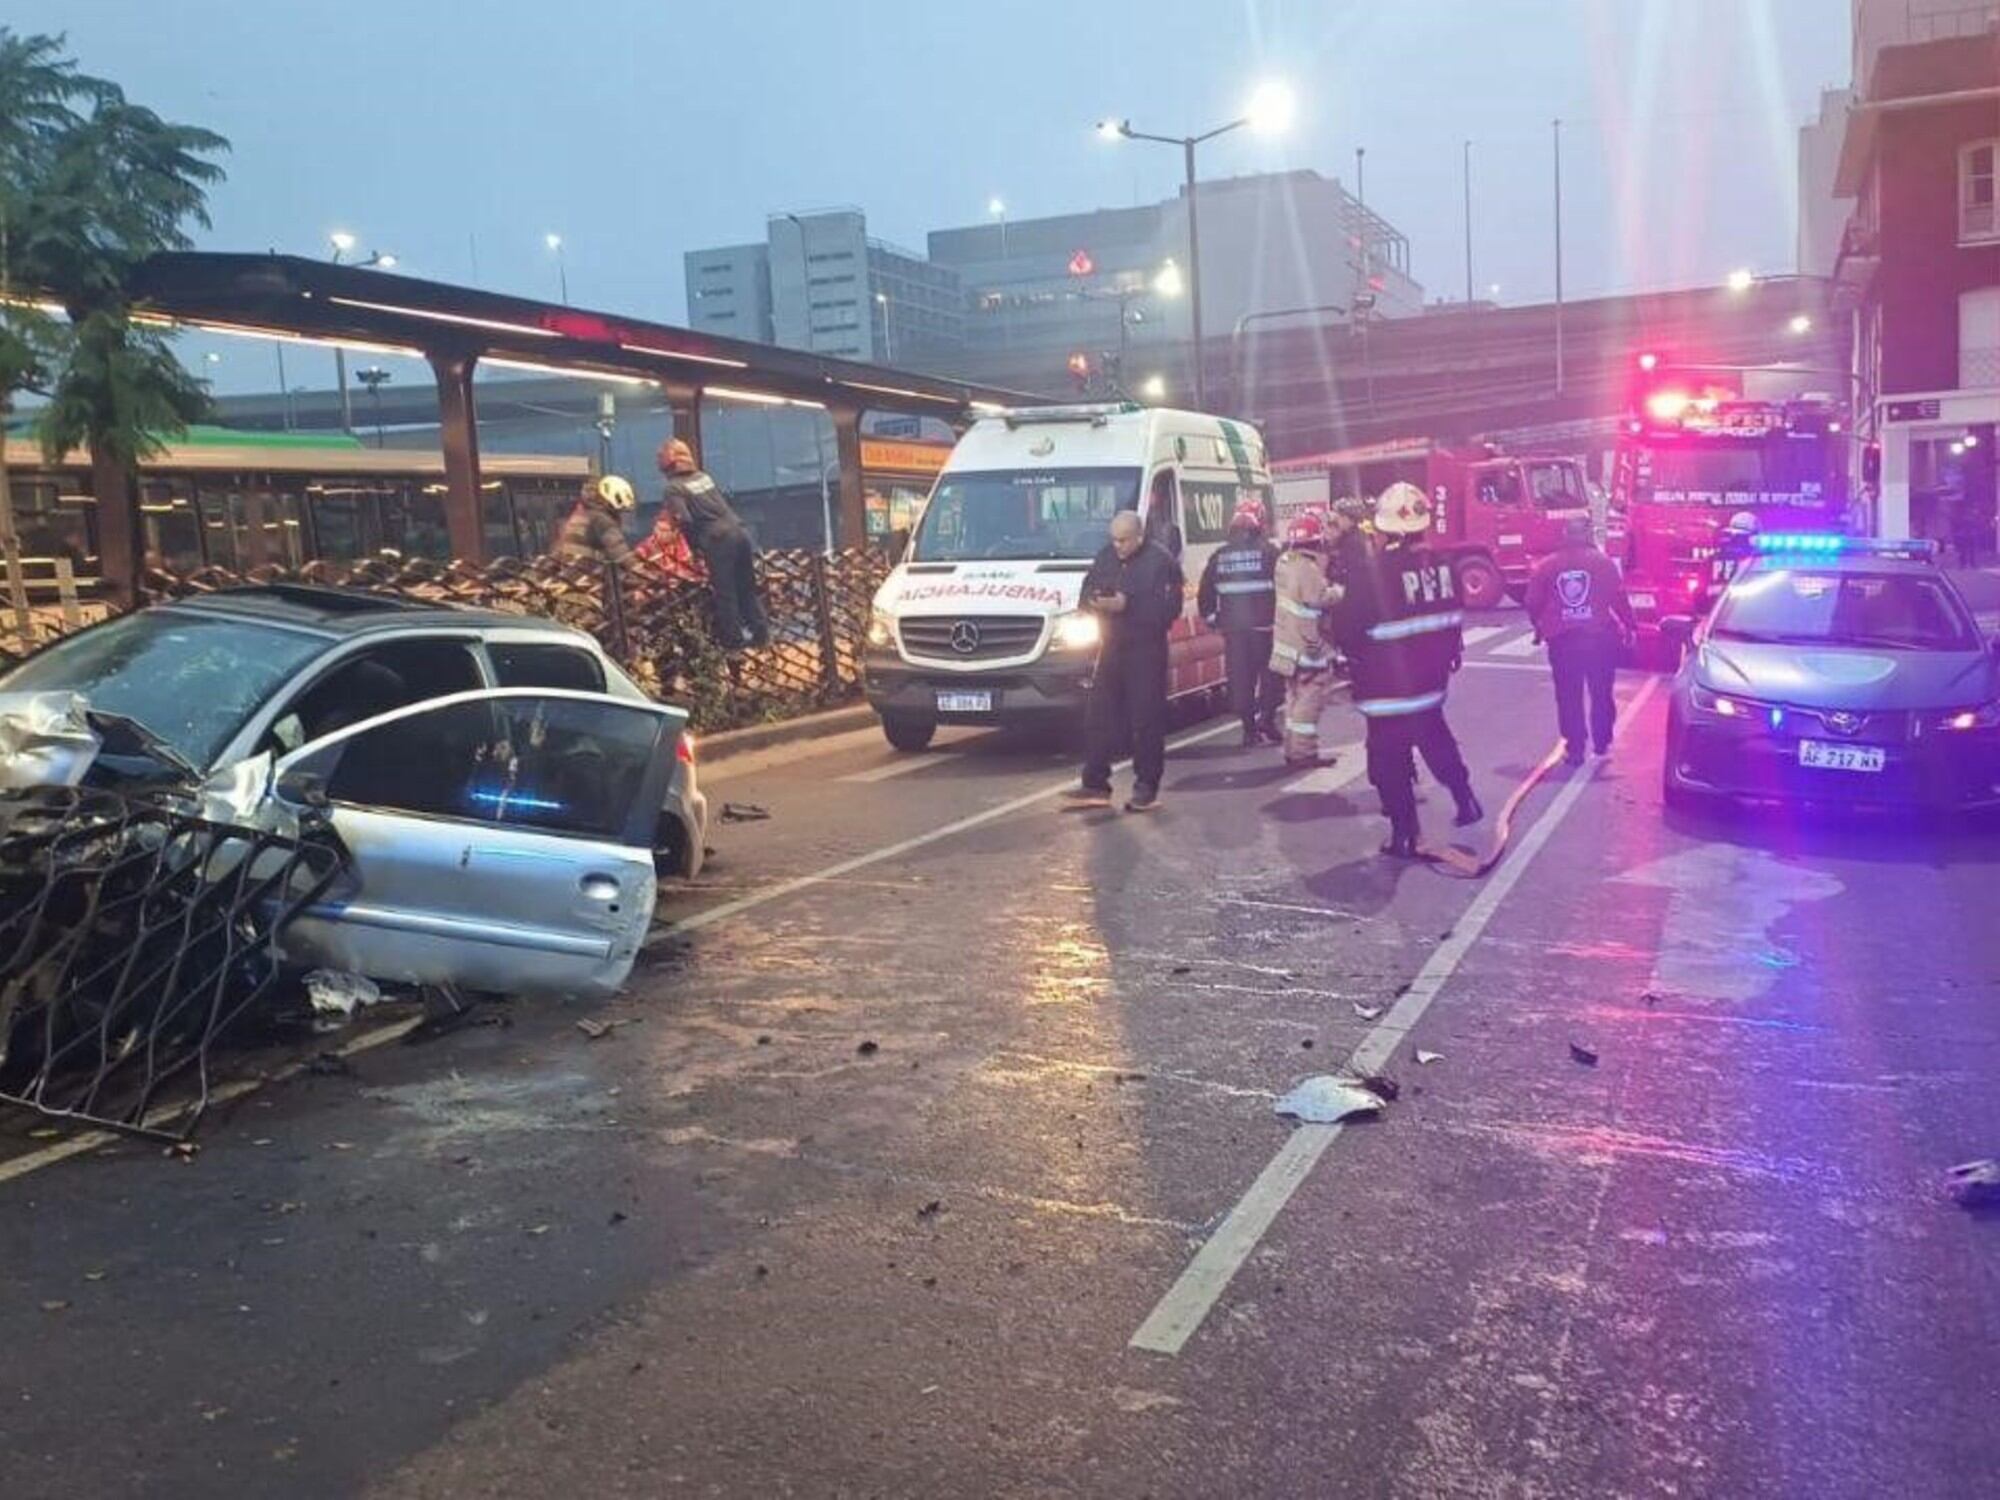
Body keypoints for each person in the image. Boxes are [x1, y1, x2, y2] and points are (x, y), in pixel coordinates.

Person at [1332, 481, 1483, 858]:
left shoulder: (1373, 571)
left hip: (1384, 687)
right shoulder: (1444, 566)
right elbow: (1453, 619)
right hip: (1430, 682)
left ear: (1385, 531)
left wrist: (1353, 658)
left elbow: (1347, 627)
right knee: (1436, 740)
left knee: (1388, 759)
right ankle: (1466, 800)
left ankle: (1404, 833)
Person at [1064, 509, 1185, 813]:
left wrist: (1127, 606)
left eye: (1123, 540)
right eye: (1114, 539)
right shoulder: (1105, 557)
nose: (1117, 546)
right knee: (1098, 716)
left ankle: (1146, 786)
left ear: (1139, 536)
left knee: (1145, 721)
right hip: (1112, 646)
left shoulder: (1162, 562)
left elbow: (1168, 610)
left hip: (1146, 650)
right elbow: (1087, 588)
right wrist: (1093, 601)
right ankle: (1094, 784)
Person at [1526, 514, 1636, 766]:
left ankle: (1575, 748)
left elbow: (1532, 602)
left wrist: (1540, 625)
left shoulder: (1547, 565)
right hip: (1599, 639)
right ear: (1588, 536)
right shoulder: (1603, 563)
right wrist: (1630, 626)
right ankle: (1602, 741)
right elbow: (1619, 598)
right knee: (1601, 692)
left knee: (1568, 695)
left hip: (1563, 642)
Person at [657, 438, 770, 650]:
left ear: (668, 461)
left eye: (659, 457)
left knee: (725, 593)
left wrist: (695, 548)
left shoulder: (673, 489)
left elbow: (684, 519)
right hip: (740, 532)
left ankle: (733, 643)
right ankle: (761, 634)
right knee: (746, 587)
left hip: (717, 540)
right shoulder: (703, 477)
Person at [1196, 497, 1282, 747]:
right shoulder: (1270, 553)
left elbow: (1205, 594)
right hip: (1266, 628)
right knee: (1271, 676)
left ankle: (1248, 729)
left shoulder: (1219, 556)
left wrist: (1215, 620)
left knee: (1241, 678)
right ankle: (1267, 718)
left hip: (1233, 630)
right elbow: (1284, 588)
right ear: (1259, 524)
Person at [1269, 510, 1338, 766]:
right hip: (1306, 646)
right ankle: (1303, 753)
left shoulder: (1283, 562)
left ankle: (1291, 749)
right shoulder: (1307, 568)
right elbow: (1318, 599)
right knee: (1310, 699)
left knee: (1294, 697)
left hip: (1286, 644)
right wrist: (1340, 592)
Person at [556, 475, 638, 566]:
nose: (623, 518)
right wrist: (640, 571)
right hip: (591, 575)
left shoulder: (580, 515)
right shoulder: (602, 521)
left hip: (572, 575)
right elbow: (621, 555)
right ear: (611, 505)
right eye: (621, 512)